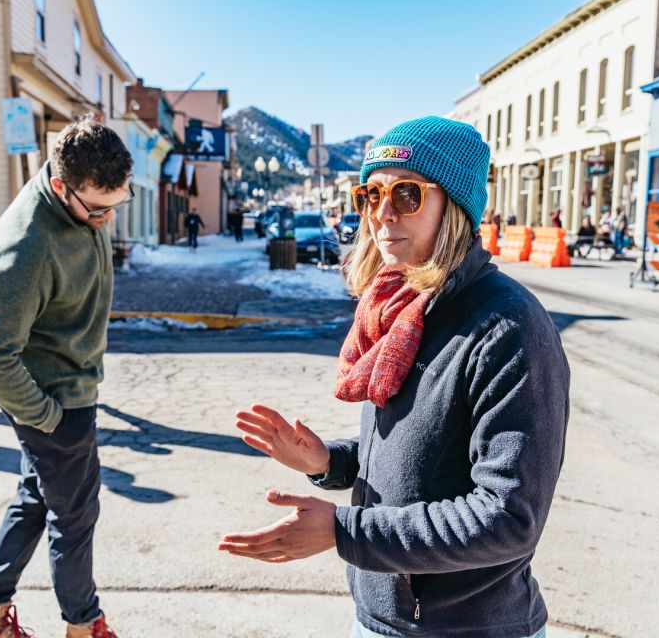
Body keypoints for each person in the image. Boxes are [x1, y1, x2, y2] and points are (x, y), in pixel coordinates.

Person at [220, 117, 569, 638]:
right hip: (384, 620)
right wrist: (328, 462)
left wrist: (342, 530)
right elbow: (421, 458)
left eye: (407, 194)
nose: (382, 215)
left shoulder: (509, 328)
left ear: (454, 206)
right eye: (371, 194)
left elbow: (508, 518)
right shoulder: (404, 310)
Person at [0, 117, 131, 638]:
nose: (107, 218)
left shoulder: (78, 202)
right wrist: (50, 418)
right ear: (60, 186)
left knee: (36, 496)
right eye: (97, 208)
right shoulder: (26, 247)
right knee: (75, 519)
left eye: (118, 203)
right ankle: (84, 625)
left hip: (67, 390)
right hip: (55, 401)